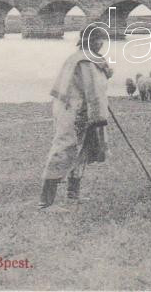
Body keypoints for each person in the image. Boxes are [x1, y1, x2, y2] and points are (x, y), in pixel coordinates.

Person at [38, 26, 113, 211]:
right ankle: (46, 203)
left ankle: (73, 195)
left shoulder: (83, 58)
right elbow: (93, 90)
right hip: (75, 111)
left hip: (78, 108)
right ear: (89, 40)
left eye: (102, 39)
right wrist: (99, 116)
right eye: (98, 39)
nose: (101, 43)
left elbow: (97, 86)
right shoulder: (84, 61)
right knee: (65, 148)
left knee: (83, 151)